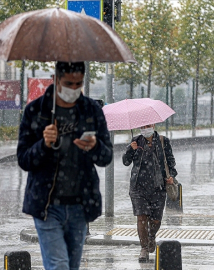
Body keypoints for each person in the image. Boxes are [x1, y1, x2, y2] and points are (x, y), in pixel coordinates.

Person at [17, 61, 113, 270]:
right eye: (68, 83)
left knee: (71, 265)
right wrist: (43, 144)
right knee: (58, 265)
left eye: (78, 84)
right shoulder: (36, 111)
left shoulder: (92, 110)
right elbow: (24, 159)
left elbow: (106, 157)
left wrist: (95, 146)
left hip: (80, 205)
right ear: (56, 80)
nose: (73, 89)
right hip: (46, 206)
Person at [122, 124, 177, 262]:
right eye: (143, 126)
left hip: (158, 187)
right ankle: (144, 249)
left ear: (153, 125)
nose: (145, 129)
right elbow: (125, 161)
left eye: (148, 126)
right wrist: (130, 149)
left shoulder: (163, 141)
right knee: (141, 217)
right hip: (138, 187)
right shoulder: (135, 141)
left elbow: (171, 163)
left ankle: (151, 236)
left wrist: (171, 177)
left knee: (156, 219)